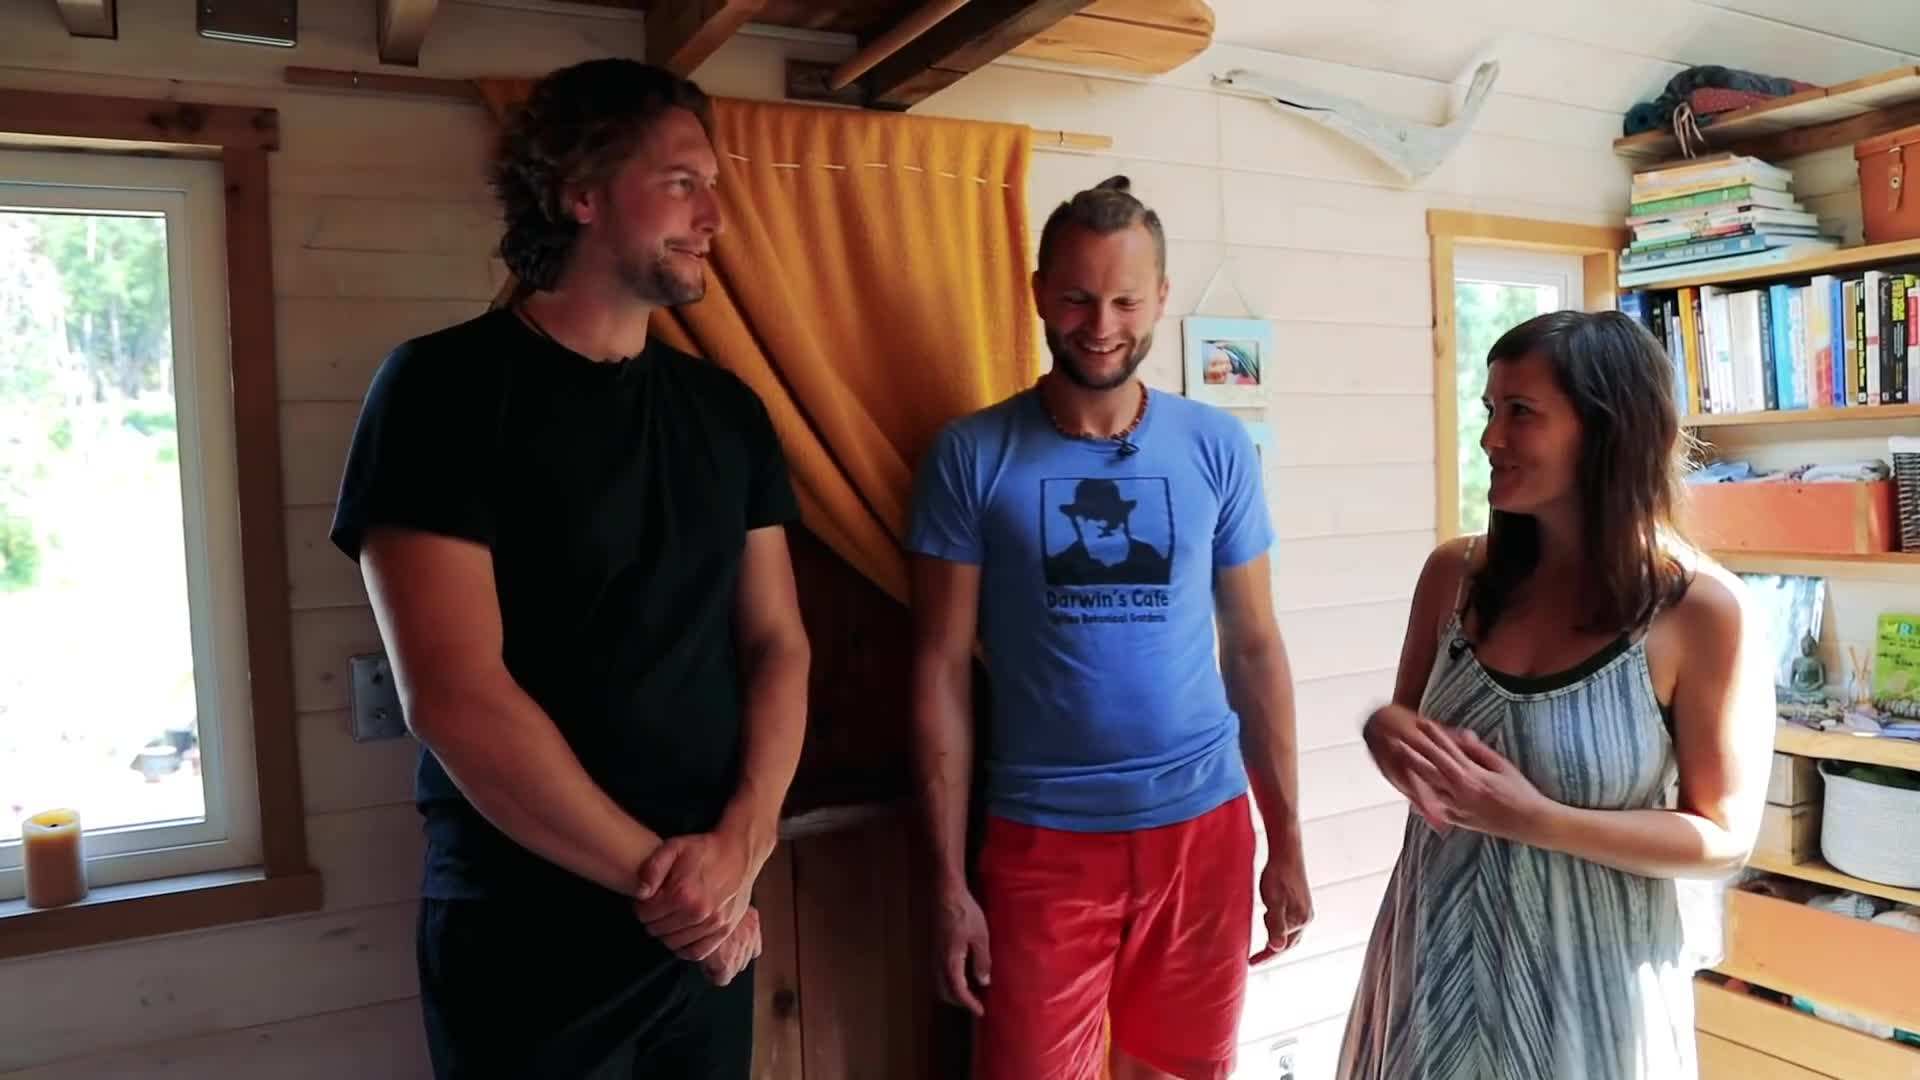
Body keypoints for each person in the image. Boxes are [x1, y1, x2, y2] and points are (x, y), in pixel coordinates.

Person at [328, 59, 810, 1079]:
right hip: (526, 936)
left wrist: (742, 850)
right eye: (683, 181)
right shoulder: (443, 390)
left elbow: (776, 643)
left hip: (703, 928)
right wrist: (674, 887)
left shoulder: (728, 413)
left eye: (712, 184)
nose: (716, 214)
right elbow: (455, 698)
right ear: (580, 192)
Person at [907, 176, 1313, 1080]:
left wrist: (1285, 839)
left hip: (1205, 832)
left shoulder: (1214, 447)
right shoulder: (972, 453)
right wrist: (947, 883)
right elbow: (938, 670)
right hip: (1042, 842)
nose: (1101, 324)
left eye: (1127, 299)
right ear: (1038, 293)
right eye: (1077, 297)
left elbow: (1254, 648)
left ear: (1161, 299)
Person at [1338, 310, 1774, 1080]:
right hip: (1431, 977)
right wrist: (1385, 732)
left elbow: (1723, 838)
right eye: (1489, 410)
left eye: (1521, 413)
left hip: (1592, 1002)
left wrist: (1536, 821)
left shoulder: (1701, 612)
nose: (1490, 439)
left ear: (1607, 431)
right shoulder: (1455, 576)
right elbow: (1413, 736)